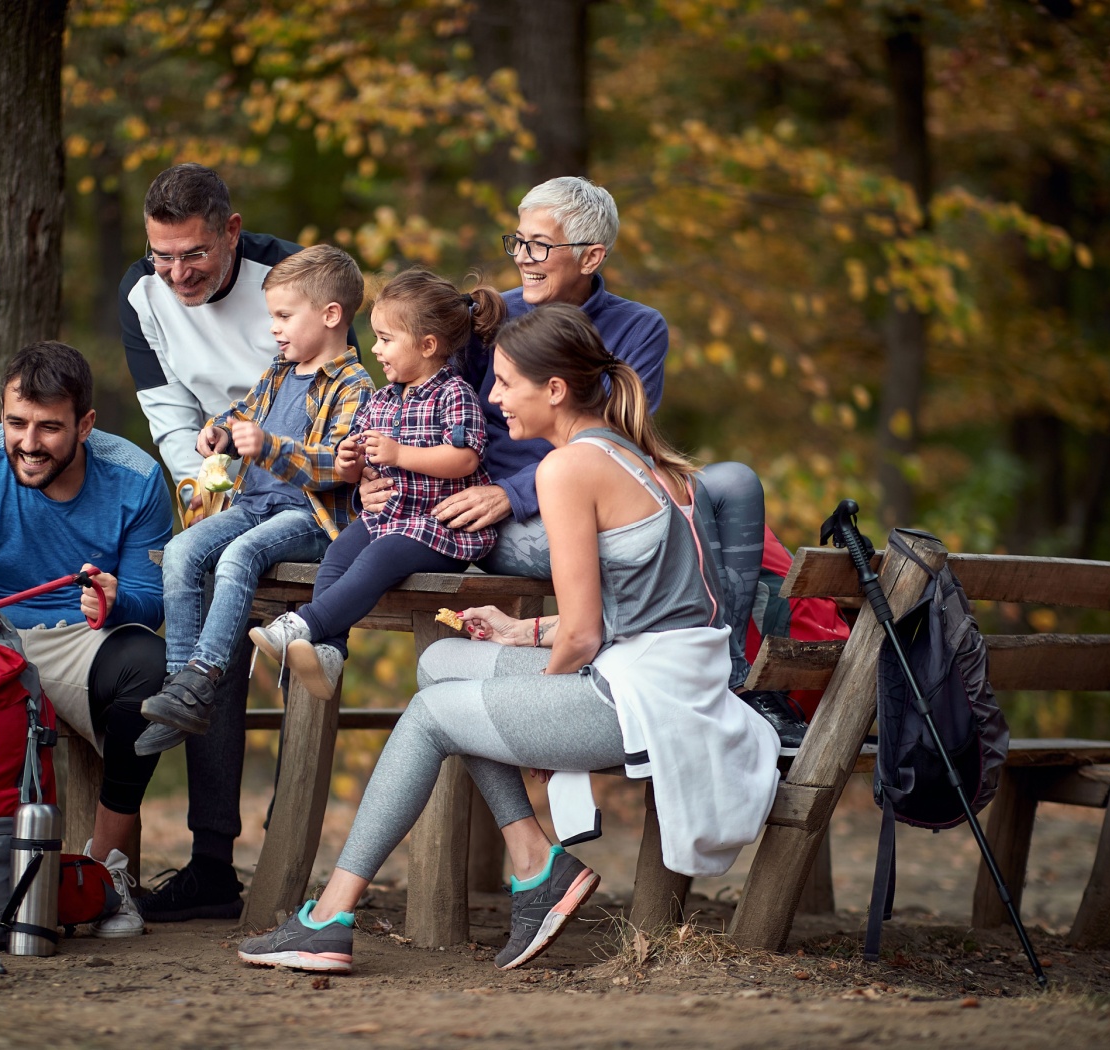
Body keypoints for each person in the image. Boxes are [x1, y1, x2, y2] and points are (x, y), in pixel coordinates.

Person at [237, 305, 779, 974]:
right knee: (442, 662)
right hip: (659, 676)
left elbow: (583, 635)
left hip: (650, 703)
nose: (493, 400)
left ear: (553, 390)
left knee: (437, 712)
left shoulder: (568, 470)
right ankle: (534, 863)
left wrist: (534, 725)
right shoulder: (628, 453)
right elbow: (639, 612)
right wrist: (524, 631)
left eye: (504, 383)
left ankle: (329, 915)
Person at [359, 176, 793, 739]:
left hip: (597, 500)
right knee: (718, 545)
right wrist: (377, 474)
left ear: (592, 255)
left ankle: (732, 677)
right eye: (517, 242)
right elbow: (419, 405)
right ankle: (711, 679)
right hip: (501, 517)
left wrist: (514, 490)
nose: (523, 258)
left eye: (540, 245)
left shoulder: (638, 328)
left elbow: (614, 444)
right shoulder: (488, 318)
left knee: (734, 484)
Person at [0, 341, 174, 939]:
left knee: (151, 669)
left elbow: (152, 605)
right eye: (16, 422)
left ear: (86, 424)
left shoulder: (139, 475)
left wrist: (119, 597)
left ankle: (107, 871)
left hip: (83, 637)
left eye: (49, 428)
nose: (28, 441)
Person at [117, 162, 319, 921]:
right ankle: (210, 863)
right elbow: (168, 413)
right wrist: (211, 487)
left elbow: (338, 393)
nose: (175, 273)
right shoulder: (142, 295)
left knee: (308, 649)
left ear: (231, 232)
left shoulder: (293, 276)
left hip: (308, 492)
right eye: (161, 256)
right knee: (200, 604)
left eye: (192, 255)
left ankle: (289, 862)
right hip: (223, 482)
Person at [138, 245, 373, 737]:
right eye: (273, 316)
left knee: (237, 557)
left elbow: (338, 468)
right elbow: (241, 413)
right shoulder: (278, 371)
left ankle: (203, 675)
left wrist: (267, 447)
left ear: (331, 315)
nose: (275, 328)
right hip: (255, 506)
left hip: (309, 519)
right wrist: (219, 432)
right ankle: (179, 680)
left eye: (285, 316)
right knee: (181, 550)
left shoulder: (354, 387)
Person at [247, 270, 506, 700]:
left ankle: (303, 625)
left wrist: (400, 455)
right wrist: (353, 462)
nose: (375, 349)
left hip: (438, 526)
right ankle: (329, 651)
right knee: (339, 553)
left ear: (428, 345)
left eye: (386, 339)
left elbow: (466, 458)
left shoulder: (454, 395)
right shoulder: (382, 399)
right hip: (388, 516)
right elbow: (362, 458)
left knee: (379, 556)